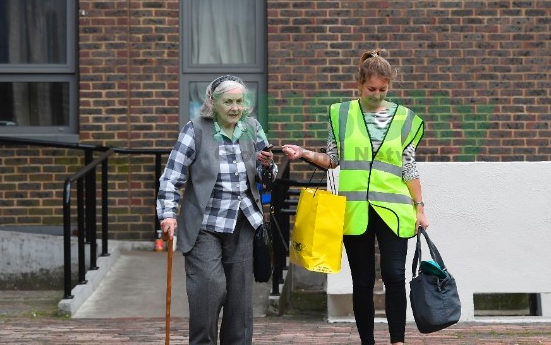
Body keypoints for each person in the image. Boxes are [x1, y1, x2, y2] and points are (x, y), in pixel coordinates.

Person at [282, 49, 429, 345]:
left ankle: (397, 341)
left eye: (382, 89)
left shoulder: (406, 119)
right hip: (354, 209)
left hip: (395, 208)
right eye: (370, 88)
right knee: (361, 282)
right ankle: (367, 342)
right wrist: (305, 153)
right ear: (359, 84)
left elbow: (408, 167)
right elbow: (333, 159)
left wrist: (420, 208)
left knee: (393, 276)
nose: (376, 94)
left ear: (390, 86)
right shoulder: (341, 114)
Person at [157, 75, 276, 345]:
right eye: (228, 102)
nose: (236, 108)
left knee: (239, 300)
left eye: (240, 102)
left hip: (243, 221)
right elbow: (172, 177)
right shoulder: (195, 130)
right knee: (209, 290)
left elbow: (266, 178)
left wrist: (267, 166)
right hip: (204, 224)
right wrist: (167, 214)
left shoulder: (252, 128)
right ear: (213, 103)